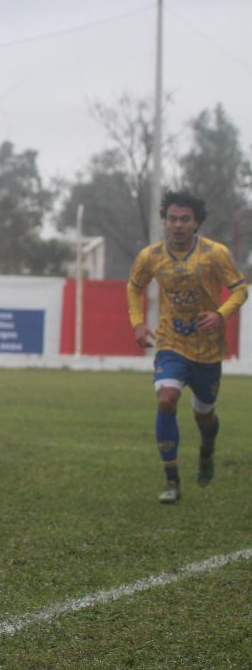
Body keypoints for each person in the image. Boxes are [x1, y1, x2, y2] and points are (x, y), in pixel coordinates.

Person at [127, 191, 247, 504]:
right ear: (165, 221)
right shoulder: (151, 256)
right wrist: (138, 323)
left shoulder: (215, 254)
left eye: (184, 219)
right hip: (171, 343)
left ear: (196, 223)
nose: (177, 225)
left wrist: (220, 314)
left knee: (204, 417)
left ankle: (207, 450)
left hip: (208, 350)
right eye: (172, 219)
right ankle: (172, 481)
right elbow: (134, 286)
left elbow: (240, 290)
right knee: (166, 400)